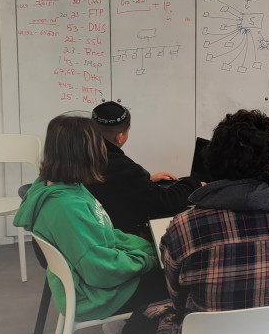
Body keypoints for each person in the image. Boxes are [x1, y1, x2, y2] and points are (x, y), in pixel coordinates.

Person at [121, 109, 269, 334]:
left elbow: (177, 297)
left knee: (136, 328)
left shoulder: (187, 226)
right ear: (267, 161)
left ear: (213, 159)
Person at [13, 114, 167, 334]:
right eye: (98, 146)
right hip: (96, 294)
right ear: (86, 153)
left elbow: (106, 234)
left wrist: (147, 248)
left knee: (166, 263)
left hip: (92, 281)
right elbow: (101, 269)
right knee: (180, 279)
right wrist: (149, 260)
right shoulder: (67, 206)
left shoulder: (60, 186)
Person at [85, 101, 202, 239]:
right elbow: (167, 202)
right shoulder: (118, 165)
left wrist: (145, 181)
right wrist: (195, 184)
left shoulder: (85, 154)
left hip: (98, 225)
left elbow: (114, 183)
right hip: (124, 233)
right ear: (119, 137)